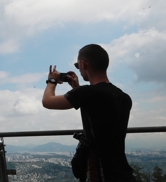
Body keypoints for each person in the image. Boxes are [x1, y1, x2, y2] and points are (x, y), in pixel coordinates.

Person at [42, 44, 136, 181]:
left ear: (83, 63)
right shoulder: (124, 97)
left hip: (99, 173)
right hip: (122, 172)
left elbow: (47, 101)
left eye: (77, 65)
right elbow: (96, 110)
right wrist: (76, 88)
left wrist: (51, 81)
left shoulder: (87, 93)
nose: (78, 69)